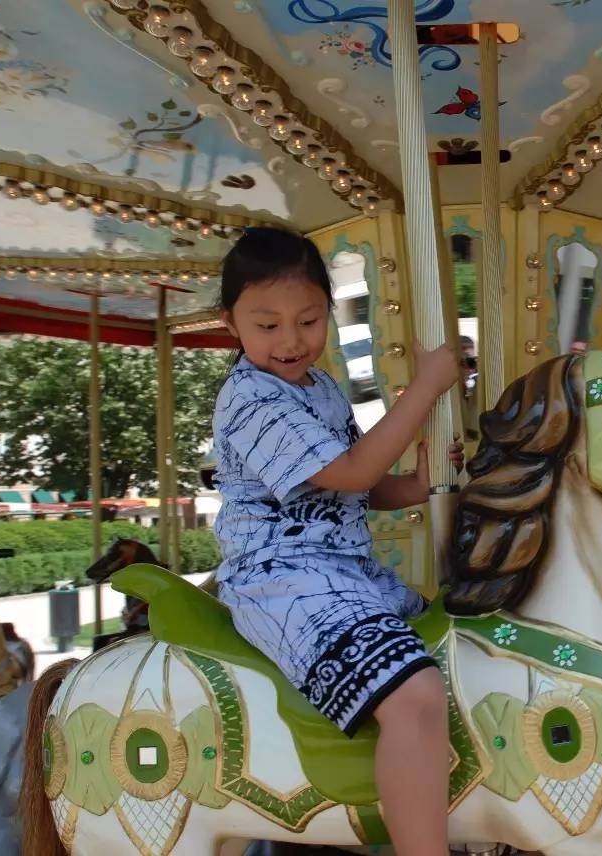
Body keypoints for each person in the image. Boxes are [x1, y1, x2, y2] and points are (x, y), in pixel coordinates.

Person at [212, 226, 462, 855]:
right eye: (267, 325)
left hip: (347, 572)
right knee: (415, 694)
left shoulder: (319, 389)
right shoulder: (250, 399)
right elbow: (352, 471)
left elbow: (357, 488)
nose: (291, 341)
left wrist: (417, 484)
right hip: (282, 579)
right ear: (230, 323)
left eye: (309, 320)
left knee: (461, 648)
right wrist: (426, 386)